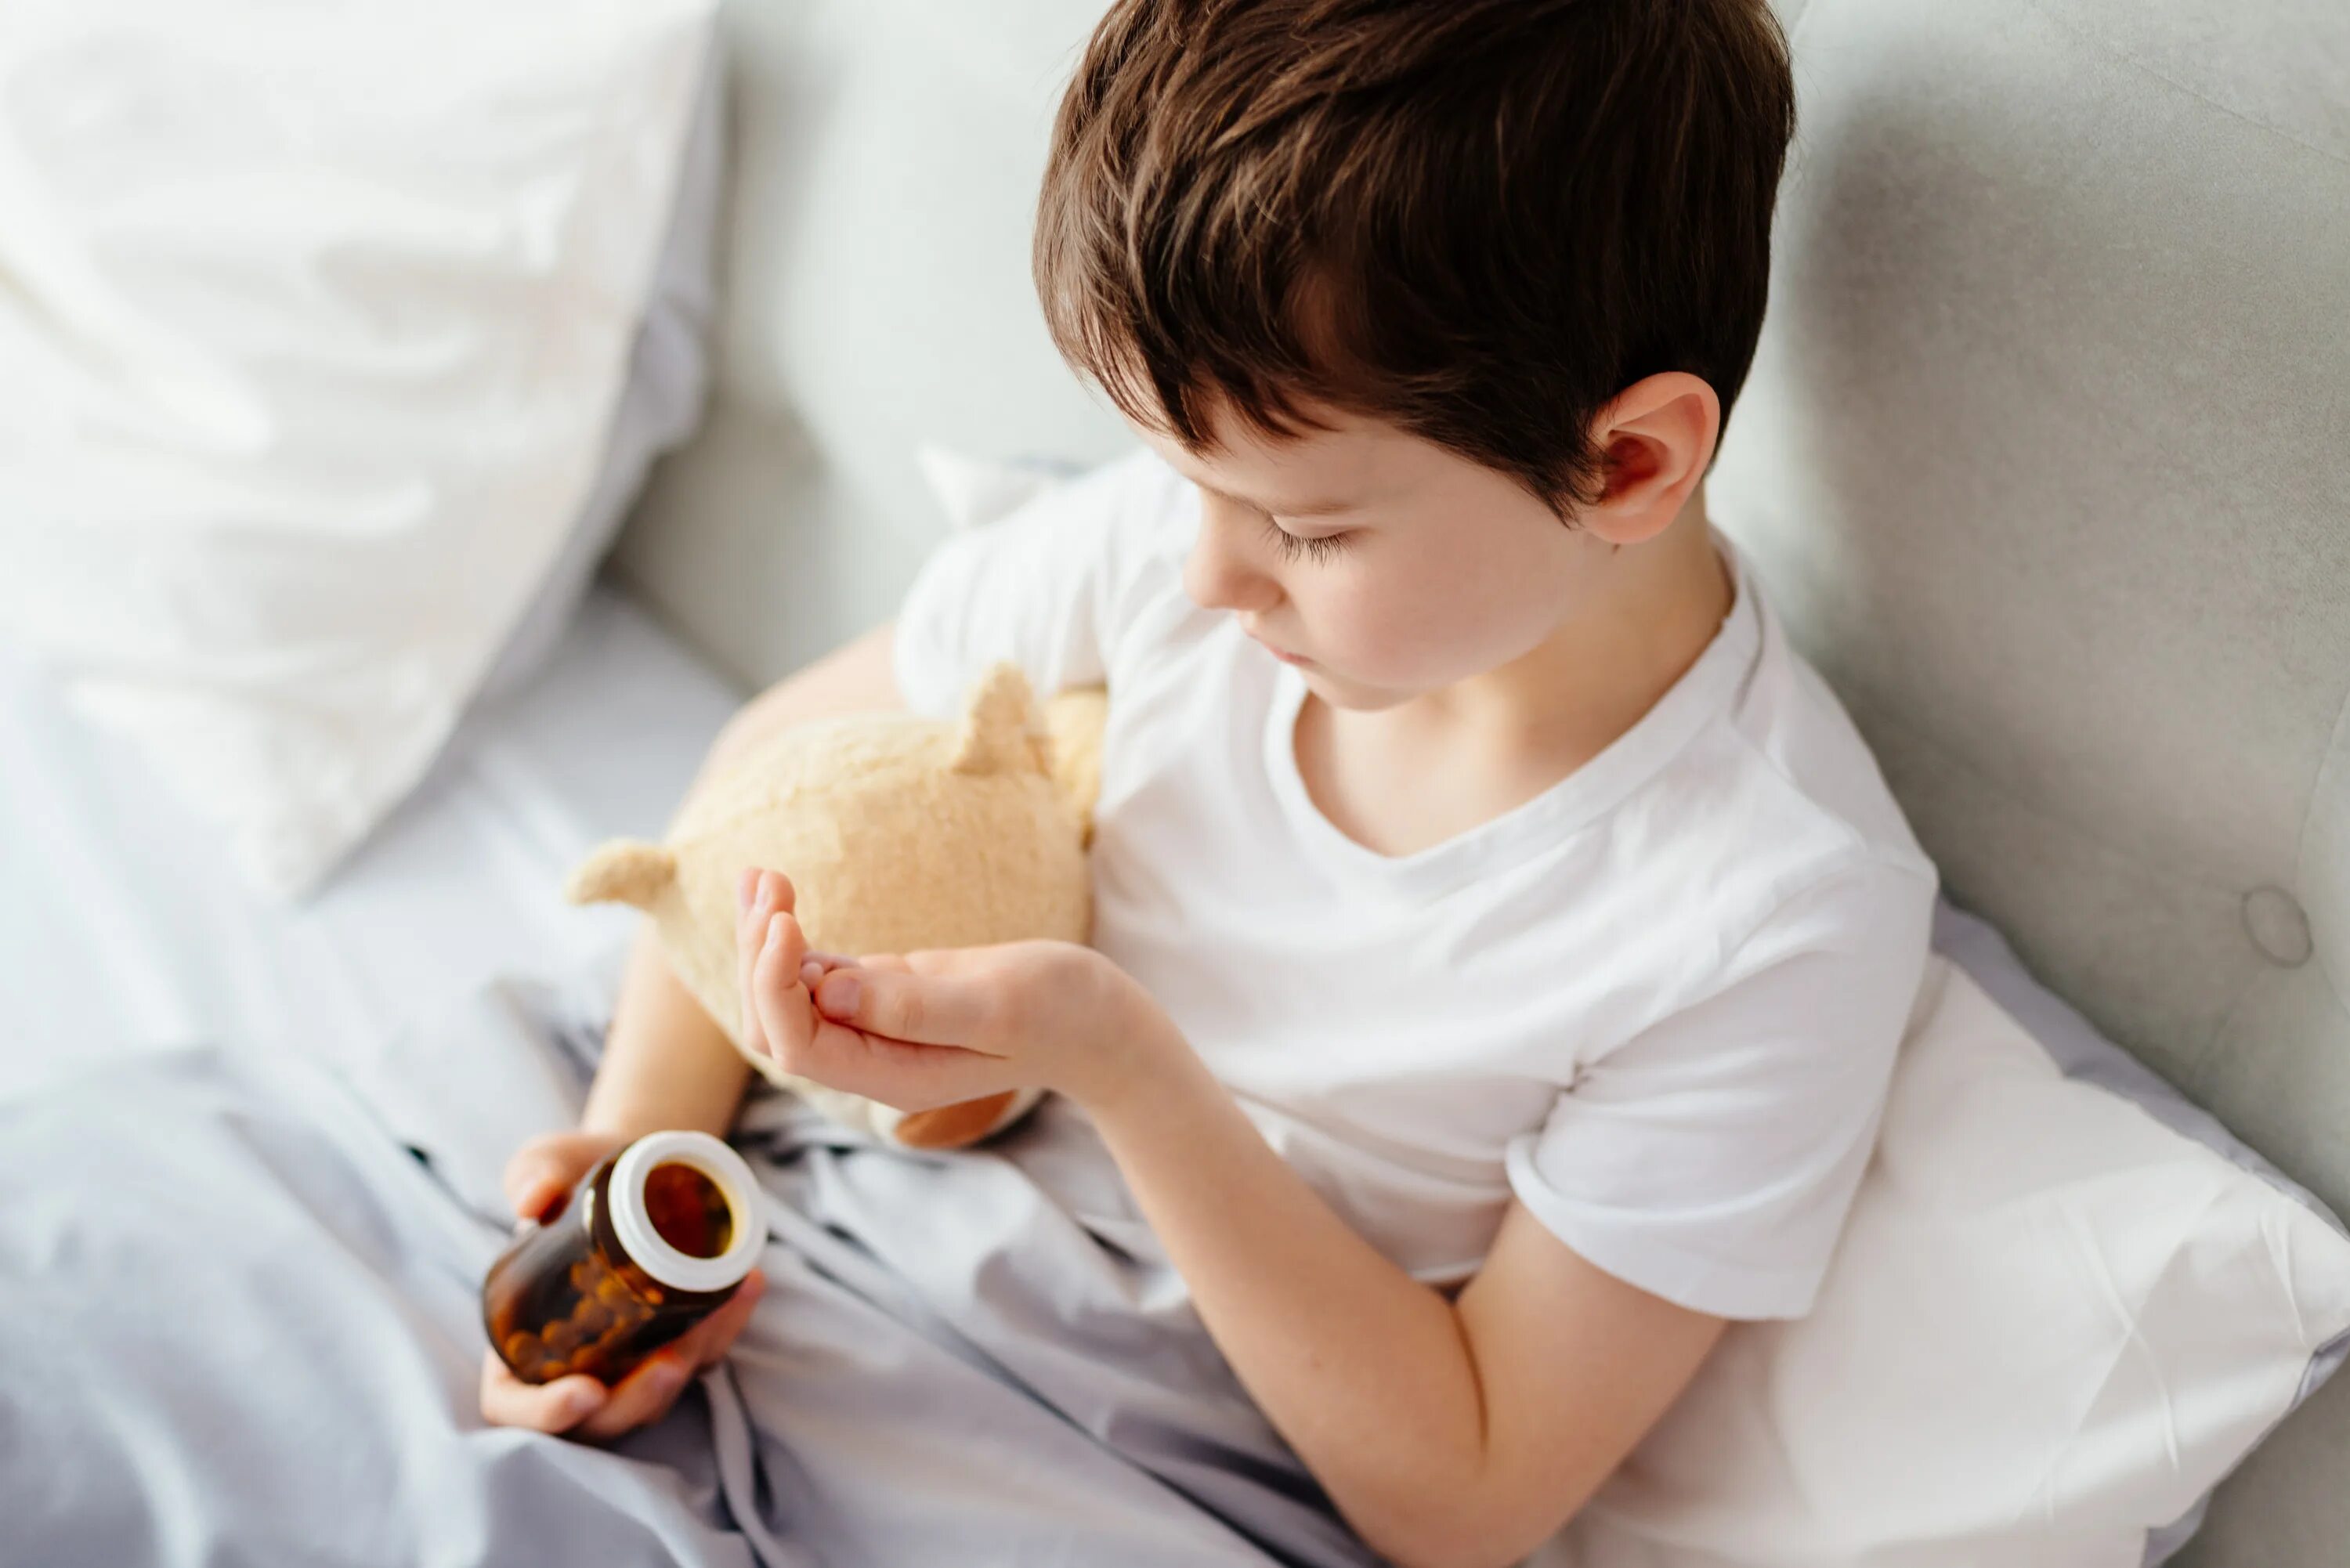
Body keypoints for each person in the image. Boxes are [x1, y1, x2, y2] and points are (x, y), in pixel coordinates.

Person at [484, 3, 1939, 1564]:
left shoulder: (1770, 915)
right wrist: (638, 1165)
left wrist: (1118, 1055)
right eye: (1184, 484)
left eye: (1305, 529)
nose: (1205, 574)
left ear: (1629, 466)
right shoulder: (1179, 551)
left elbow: (1468, 1491)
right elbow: (772, 774)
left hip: (1098, 1449)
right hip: (801, 1225)